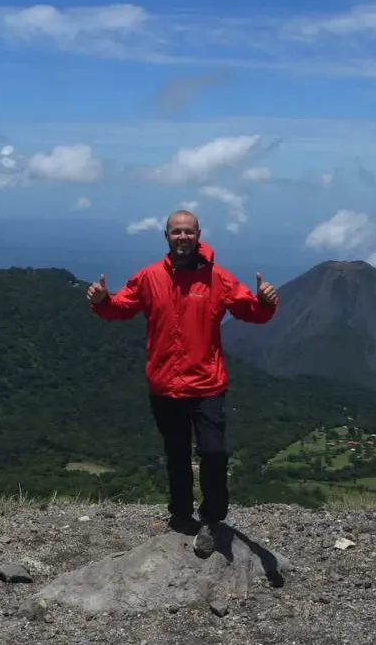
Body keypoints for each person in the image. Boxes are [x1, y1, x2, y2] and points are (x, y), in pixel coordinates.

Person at [86, 209, 278, 555]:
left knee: (214, 453)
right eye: (177, 232)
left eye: (188, 232)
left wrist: (265, 303)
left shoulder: (217, 278)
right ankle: (180, 514)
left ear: (199, 234)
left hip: (206, 384)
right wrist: (102, 301)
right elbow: (120, 306)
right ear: (166, 236)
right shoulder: (149, 277)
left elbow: (250, 311)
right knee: (176, 454)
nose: (183, 237)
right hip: (165, 385)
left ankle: (213, 517)